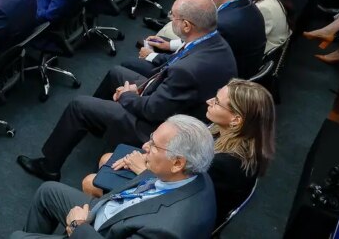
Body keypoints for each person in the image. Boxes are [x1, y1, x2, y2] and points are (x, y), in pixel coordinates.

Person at [16, 0, 236, 181]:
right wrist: (139, 88)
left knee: (79, 105)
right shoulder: (214, 42)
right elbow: (173, 68)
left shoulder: (187, 71)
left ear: (187, 25)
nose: (170, 18)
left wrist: (127, 96)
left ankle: (49, 166)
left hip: (160, 126)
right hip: (171, 100)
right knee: (116, 73)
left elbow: (153, 111)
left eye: (173, 16)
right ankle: (97, 124)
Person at [80, 81, 275, 224]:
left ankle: (102, 222)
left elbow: (182, 190)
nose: (209, 101)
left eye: (216, 102)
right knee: (107, 159)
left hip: (179, 209)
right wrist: (149, 154)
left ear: (236, 120)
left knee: (90, 182)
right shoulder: (235, 137)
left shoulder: (225, 164)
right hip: (180, 183)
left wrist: (142, 168)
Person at [14, 115, 217, 239]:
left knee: (17, 237)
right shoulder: (194, 175)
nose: (145, 147)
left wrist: (77, 227)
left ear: (178, 163)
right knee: (48, 191)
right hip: (110, 212)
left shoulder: (166, 230)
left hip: (101, 231)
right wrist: (144, 168)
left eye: (154, 146)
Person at [138, 0, 266, 79]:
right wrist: (169, 45)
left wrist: (152, 56)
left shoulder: (221, 24)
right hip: (232, 72)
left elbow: (187, 60)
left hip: (214, 81)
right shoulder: (250, 8)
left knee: (128, 65)